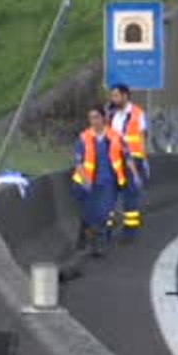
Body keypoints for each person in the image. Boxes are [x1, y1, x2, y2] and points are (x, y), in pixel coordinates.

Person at [72, 105, 137, 257]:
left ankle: (98, 245)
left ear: (103, 118)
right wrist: (85, 181)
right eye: (91, 118)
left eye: (96, 117)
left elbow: (128, 157)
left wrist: (135, 175)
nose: (93, 121)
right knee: (90, 214)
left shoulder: (115, 137)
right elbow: (78, 163)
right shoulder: (84, 138)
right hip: (88, 183)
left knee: (103, 213)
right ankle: (85, 234)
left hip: (108, 184)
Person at [107, 83, 149, 242]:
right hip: (114, 159)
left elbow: (142, 137)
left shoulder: (137, 113)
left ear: (125, 96)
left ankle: (130, 231)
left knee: (130, 196)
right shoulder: (112, 114)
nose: (113, 98)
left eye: (116, 95)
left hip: (133, 159)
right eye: (112, 95)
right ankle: (106, 230)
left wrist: (144, 159)